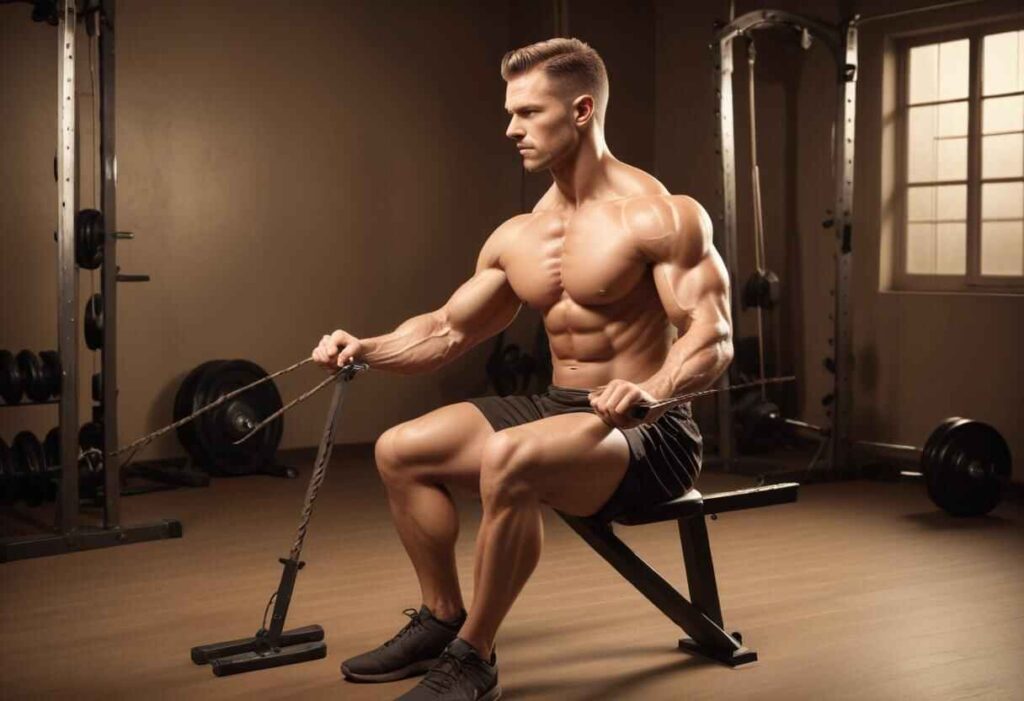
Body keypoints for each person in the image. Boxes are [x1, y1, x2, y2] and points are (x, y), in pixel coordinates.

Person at [311, 37, 733, 701]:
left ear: (583, 110)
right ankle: (442, 615)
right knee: (400, 450)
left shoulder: (661, 215)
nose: (511, 129)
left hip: (649, 433)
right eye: (511, 113)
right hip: (561, 408)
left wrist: (649, 391)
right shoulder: (523, 233)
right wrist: (364, 346)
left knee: (508, 458)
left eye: (529, 113)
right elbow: (448, 330)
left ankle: (474, 656)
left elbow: (712, 333)